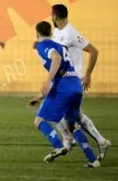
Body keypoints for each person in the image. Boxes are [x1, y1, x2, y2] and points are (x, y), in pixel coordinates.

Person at [30, 21, 100, 168]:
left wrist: (47, 81)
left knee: (39, 120)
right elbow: (63, 70)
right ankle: (93, 160)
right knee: (73, 126)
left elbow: (56, 58)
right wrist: (41, 95)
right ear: (50, 32)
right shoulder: (60, 46)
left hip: (63, 88)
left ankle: (58, 145)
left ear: (37, 34)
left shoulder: (44, 46)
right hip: (76, 86)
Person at [51, 4, 111, 160]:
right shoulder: (57, 32)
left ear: (55, 16)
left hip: (72, 81)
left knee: (54, 111)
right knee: (75, 116)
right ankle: (100, 141)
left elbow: (94, 51)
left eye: (51, 15)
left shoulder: (71, 33)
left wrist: (88, 74)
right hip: (62, 81)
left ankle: (68, 142)